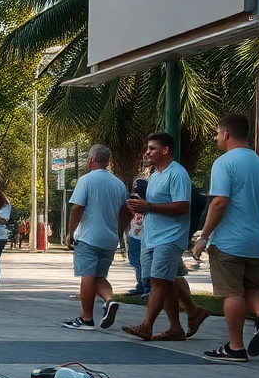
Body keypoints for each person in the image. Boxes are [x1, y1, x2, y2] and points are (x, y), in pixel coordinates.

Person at [192, 113, 259, 362]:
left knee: (231, 292)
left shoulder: (224, 163)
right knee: (253, 287)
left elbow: (219, 202)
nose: (216, 138)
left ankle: (235, 347)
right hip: (255, 242)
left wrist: (203, 236)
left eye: (217, 133)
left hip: (228, 242)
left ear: (227, 134)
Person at [122, 133, 211, 342]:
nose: (147, 152)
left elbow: (182, 206)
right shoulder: (155, 175)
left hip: (169, 237)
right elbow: (154, 206)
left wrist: (149, 207)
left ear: (165, 150)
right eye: (147, 148)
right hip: (151, 237)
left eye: (152, 148)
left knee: (159, 282)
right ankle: (178, 326)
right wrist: (140, 207)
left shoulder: (177, 174)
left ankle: (147, 326)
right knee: (168, 282)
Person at [62, 144, 131, 330]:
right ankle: (109, 300)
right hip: (109, 239)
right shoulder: (118, 184)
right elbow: (125, 212)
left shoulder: (86, 180)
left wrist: (70, 233)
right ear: (108, 161)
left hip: (88, 237)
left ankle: (87, 318)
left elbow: (77, 208)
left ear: (91, 159)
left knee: (87, 276)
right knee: (99, 276)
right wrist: (118, 233)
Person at [126, 179, 150, 297]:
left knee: (144, 262)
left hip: (144, 236)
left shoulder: (149, 203)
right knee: (135, 262)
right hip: (134, 235)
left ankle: (146, 287)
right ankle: (140, 285)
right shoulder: (135, 203)